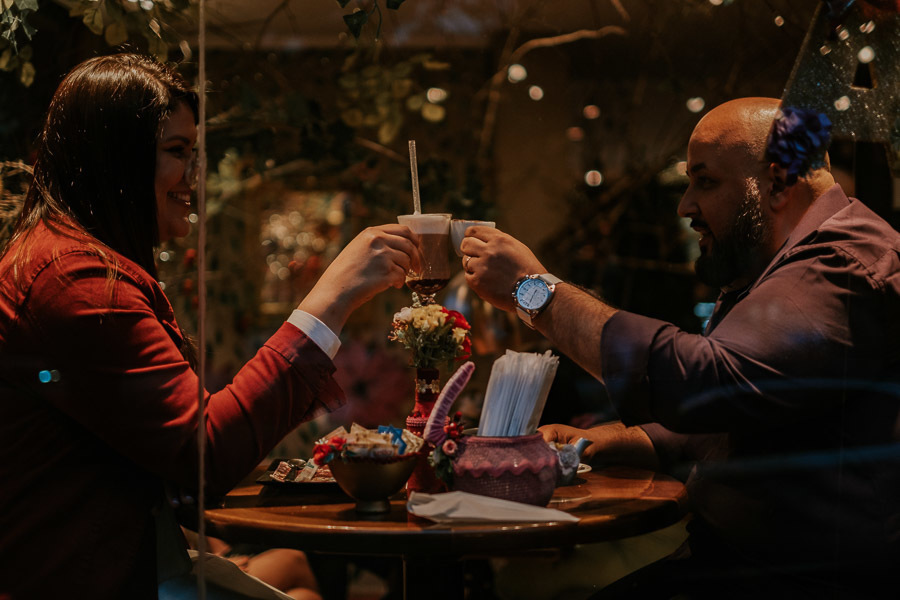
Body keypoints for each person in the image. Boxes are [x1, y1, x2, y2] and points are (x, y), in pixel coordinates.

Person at [0, 53, 421, 599]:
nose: (194, 179)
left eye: (194, 155)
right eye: (177, 153)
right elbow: (204, 453)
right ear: (117, 160)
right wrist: (330, 300)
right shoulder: (70, 276)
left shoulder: (63, 258)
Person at [461, 97, 900, 598]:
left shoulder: (842, 264)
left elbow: (707, 382)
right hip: (740, 562)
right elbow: (741, 411)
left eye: (705, 181)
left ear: (777, 182)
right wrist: (614, 441)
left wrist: (533, 290)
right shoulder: (785, 262)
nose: (685, 205)